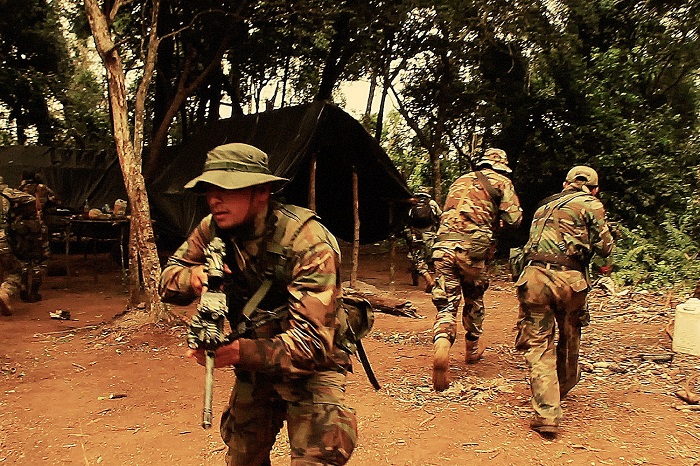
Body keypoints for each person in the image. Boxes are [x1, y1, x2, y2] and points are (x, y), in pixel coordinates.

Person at [159, 143, 357, 465]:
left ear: (262, 191)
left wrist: (238, 352)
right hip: (255, 360)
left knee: (319, 455)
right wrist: (193, 277)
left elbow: (314, 345)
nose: (214, 199)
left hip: (312, 367)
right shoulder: (212, 228)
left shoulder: (306, 240)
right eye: (210, 189)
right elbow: (167, 280)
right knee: (242, 456)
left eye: (227, 188)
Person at [514, 165, 614, 435]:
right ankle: (564, 385)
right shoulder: (591, 204)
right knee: (570, 333)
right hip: (570, 281)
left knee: (538, 344)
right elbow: (605, 248)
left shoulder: (543, 206)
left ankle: (547, 411)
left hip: (534, 278)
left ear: (565, 185)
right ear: (594, 189)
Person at [430, 148, 522, 391]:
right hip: (471, 251)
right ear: (501, 166)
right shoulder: (502, 182)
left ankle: (442, 342)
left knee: (447, 303)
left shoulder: (460, 180)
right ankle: (471, 348)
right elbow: (514, 220)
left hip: (442, 246)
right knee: (474, 297)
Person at [0, 176, 36, 314]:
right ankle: (5, 292)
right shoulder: (6, 192)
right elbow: (30, 199)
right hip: (2, 238)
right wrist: (16, 212)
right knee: (16, 271)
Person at [15, 170, 51, 302]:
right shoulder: (42, 188)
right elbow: (57, 201)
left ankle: (23, 288)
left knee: (23, 260)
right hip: (38, 227)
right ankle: (34, 292)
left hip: (22, 228)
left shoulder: (17, 190)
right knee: (40, 260)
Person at [403, 186, 442, 292]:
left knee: (416, 257)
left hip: (416, 235)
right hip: (430, 234)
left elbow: (406, 219)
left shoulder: (412, 203)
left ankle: (428, 280)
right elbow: (440, 216)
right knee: (431, 258)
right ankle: (434, 280)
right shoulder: (431, 203)